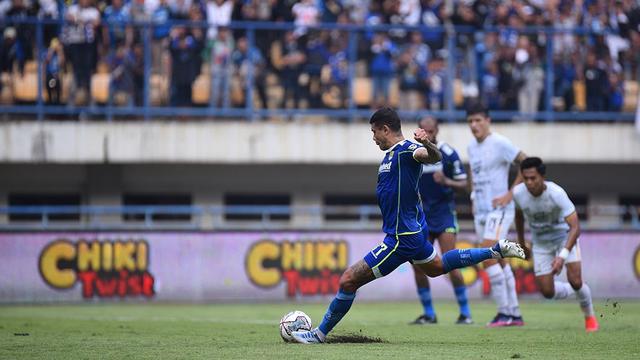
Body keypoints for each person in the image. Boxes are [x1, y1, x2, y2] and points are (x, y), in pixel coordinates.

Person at [291, 107, 525, 344]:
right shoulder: (390, 155)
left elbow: (433, 157)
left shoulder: (407, 150)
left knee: (348, 280)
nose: (373, 138)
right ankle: (495, 250)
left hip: (400, 238)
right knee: (437, 266)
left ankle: (318, 335)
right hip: (411, 234)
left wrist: (429, 144)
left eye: (375, 132)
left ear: (385, 129)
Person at [513, 157, 599, 332]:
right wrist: (522, 243)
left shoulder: (556, 193)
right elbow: (519, 216)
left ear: (542, 177)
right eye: (525, 178)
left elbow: (575, 227)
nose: (529, 182)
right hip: (541, 244)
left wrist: (562, 257)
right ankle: (577, 290)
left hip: (563, 238)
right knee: (547, 292)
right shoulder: (518, 193)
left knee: (575, 280)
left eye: (533, 178)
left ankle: (589, 316)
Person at [466, 102, 528, 327]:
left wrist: (511, 193)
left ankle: (504, 313)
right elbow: (473, 171)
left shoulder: (500, 143)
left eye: (478, 120)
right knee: (501, 262)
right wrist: (474, 195)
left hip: (500, 209)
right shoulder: (471, 147)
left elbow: (526, 161)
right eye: (470, 121)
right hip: (481, 211)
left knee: (488, 257)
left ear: (488, 121)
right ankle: (514, 314)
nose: (474, 125)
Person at [410, 116, 472, 325]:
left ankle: (465, 313)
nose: (428, 133)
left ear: (437, 130)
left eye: (431, 130)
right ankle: (429, 313)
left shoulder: (447, 153)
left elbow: (464, 184)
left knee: (451, 262)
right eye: (424, 130)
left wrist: (446, 181)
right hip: (422, 217)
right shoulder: (414, 153)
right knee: (418, 265)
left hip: (444, 214)